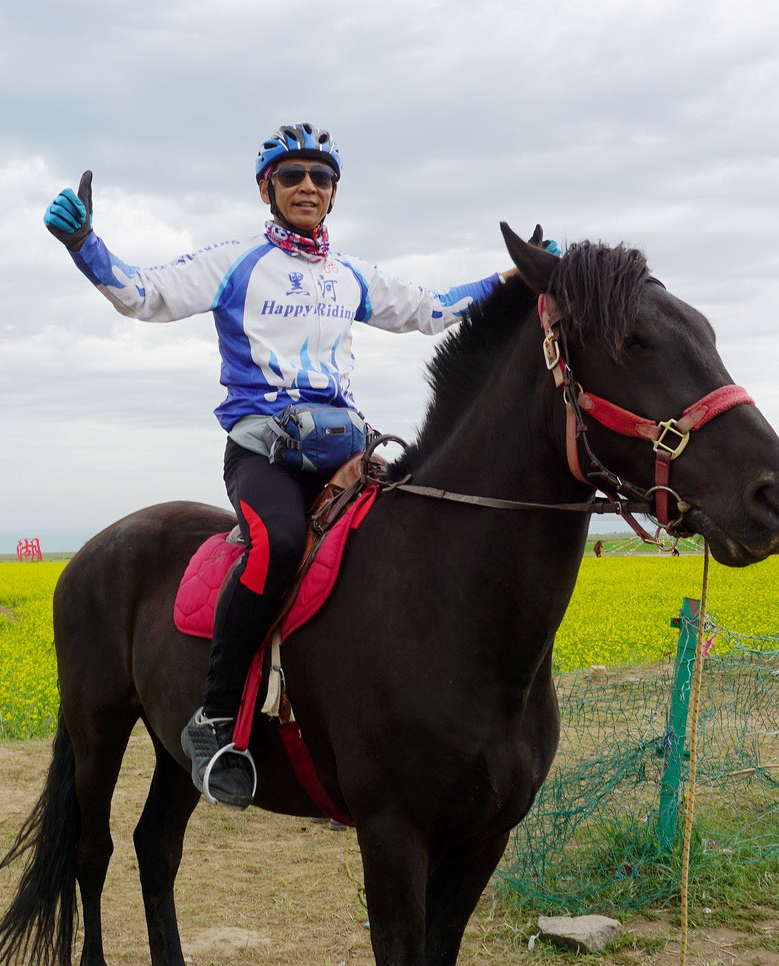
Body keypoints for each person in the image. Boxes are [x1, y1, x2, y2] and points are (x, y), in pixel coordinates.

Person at [43, 123, 516, 809]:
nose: (307, 187)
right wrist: (85, 245)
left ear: (334, 194)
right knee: (281, 542)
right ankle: (215, 718)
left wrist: (510, 279)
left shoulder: (349, 275)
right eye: (292, 176)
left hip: (345, 456)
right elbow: (144, 294)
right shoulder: (236, 262)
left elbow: (429, 309)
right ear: (267, 188)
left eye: (321, 178)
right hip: (262, 455)